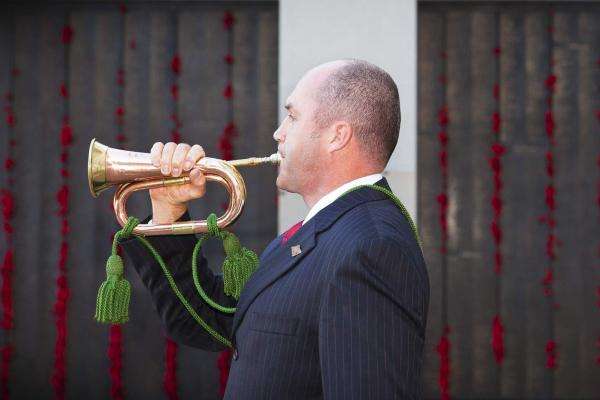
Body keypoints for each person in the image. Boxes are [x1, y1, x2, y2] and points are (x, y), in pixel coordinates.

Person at [119, 59, 429, 399]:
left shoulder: (371, 245)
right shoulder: (322, 233)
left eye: (292, 117)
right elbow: (208, 322)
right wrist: (168, 212)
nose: (278, 132)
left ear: (337, 136)